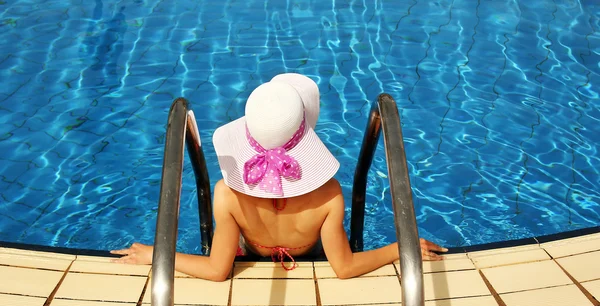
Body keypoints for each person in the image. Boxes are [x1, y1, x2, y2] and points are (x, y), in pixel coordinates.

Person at [111, 73, 447, 280]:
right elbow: (344, 268)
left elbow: (217, 270)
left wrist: (156, 254)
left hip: (248, 253)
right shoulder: (329, 195)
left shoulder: (226, 193)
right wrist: (399, 249)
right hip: (310, 258)